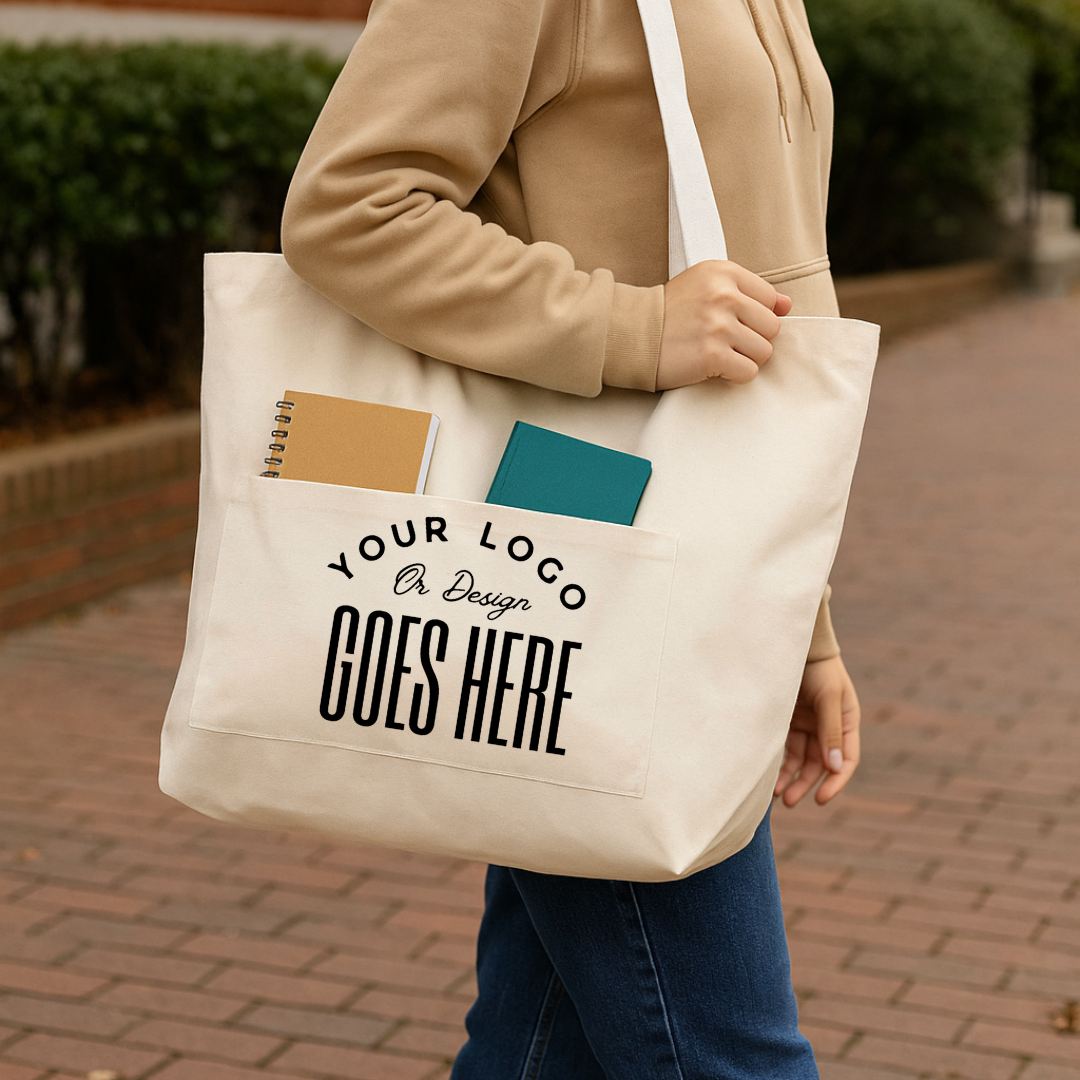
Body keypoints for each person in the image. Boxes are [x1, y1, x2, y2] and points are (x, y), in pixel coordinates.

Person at [280, 0, 862, 1074]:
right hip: (585, 560)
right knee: (733, 1056)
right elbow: (348, 208)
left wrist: (802, 624)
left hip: (686, 560)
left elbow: (771, 304)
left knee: (541, 1046)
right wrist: (633, 326)